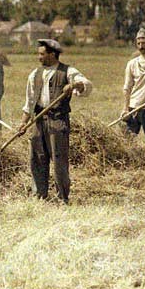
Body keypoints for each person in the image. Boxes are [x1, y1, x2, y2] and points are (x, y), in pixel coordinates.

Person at [17, 39, 92, 204]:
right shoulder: (35, 74)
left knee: (59, 160)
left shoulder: (68, 71)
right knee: (37, 158)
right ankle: (39, 197)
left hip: (58, 120)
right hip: (38, 120)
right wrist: (24, 123)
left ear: (52, 54)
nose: (39, 57)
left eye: (42, 54)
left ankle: (62, 198)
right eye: (39, 54)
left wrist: (74, 85)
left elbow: (86, 85)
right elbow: (29, 102)